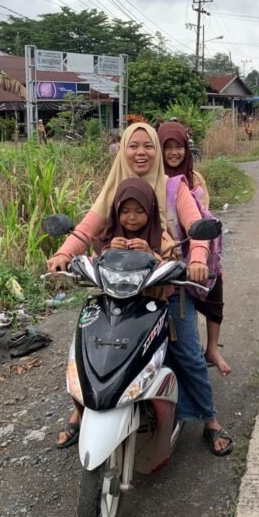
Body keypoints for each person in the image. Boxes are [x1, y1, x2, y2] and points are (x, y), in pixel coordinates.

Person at [47, 123, 233, 456]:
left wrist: (198, 258)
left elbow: (196, 230)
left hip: (166, 286)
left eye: (148, 146)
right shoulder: (115, 189)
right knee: (88, 349)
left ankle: (210, 419)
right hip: (117, 288)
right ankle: (82, 411)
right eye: (133, 146)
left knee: (188, 354)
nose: (141, 152)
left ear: (157, 151)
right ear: (123, 150)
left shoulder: (175, 188)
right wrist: (63, 254)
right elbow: (87, 229)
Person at [56, 177, 174, 448]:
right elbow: (90, 263)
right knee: (83, 360)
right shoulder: (107, 238)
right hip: (111, 313)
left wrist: (152, 255)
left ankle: (204, 416)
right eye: (125, 210)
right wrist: (104, 253)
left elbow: (174, 270)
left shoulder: (161, 237)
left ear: (151, 211)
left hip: (149, 312)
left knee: (185, 360)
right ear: (116, 211)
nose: (132, 218)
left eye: (139, 210)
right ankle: (80, 412)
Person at [158, 121, 231, 376]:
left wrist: (197, 254)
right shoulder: (153, 177)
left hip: (194, 245)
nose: (173, 153)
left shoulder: (195, 178)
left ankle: (212, 348)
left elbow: (201, 216)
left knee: (214, 286)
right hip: (162, 249)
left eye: (178, 147)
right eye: (167, 148)